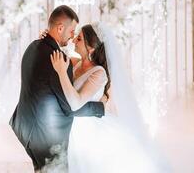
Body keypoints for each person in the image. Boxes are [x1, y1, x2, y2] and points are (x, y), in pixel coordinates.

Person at [49, 22, 171, 173]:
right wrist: (48, 39)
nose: (73, 40)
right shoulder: (77, 63)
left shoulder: (98, 72)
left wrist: (61, 73)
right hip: (72, 125)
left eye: (79, 39)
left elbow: (76, 103)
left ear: (91, 48)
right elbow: (57, 53)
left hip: (88, 131)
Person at [9, 5, 105, 172]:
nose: (72, 37)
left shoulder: (34, 46)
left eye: (78, 36)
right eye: (72, 31)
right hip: (45, 135)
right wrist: (100, 108)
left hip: (26, 127)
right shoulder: (57, 61)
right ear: (60, 28)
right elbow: (68, 107)